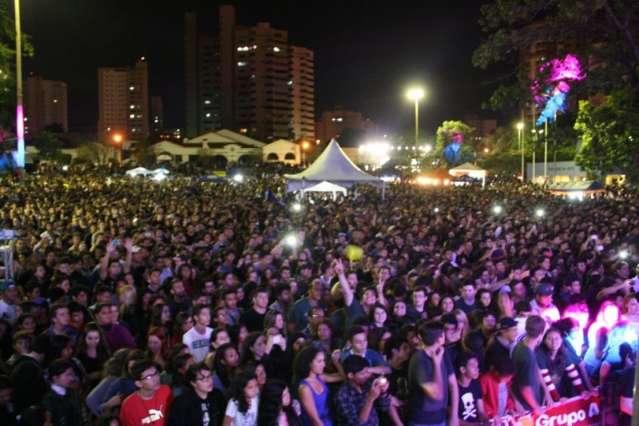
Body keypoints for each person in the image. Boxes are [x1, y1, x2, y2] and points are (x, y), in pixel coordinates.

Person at [407, 321, 459, 426]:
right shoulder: (418, 360)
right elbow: (437, 394)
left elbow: (453, 385)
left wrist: (454, 415)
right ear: (440, 339)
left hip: (441, 417)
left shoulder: (443, 353)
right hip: (422, 421)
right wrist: (436, 364)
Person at [336, 355, 391, 426]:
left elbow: (384, 408)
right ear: (350, 375)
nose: (367, 375)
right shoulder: (342, 395)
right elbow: (357, 423)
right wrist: (370, 399)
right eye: (362, 373)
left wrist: (383, 392)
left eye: (367, 372)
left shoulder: (368, 384)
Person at [295, 346, 343, 426]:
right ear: (309, 363)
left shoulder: (321, 377)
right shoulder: (304, 388)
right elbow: (315, 419)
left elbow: (343, 377)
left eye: (323, 360)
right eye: (319, 361)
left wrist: (335, 362)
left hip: (329, 420)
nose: (324, 365)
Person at [511, 315, 547, 415]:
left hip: (527, 402)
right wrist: (536, 407)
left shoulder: (521, 344)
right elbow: (525, 388)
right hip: (527, 407)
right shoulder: (527, 356)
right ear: (541, 333)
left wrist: (546, 392)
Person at [119, 360, 172, 426]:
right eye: (148, 377)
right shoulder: (128, 405)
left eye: (155, 373)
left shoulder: (166, 391)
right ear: (138, 384)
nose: (155, 379)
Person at [42, 359, 86, 426]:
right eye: (68, 375)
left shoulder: (72, 392)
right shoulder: (49, 400)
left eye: (72, 374)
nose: (72, 378)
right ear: (55, 378)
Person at [455, 352, 485, 425]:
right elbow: (453, 417)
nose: (477, 369)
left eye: (477, 366)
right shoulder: (453, 388)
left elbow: (481, 411)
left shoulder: (476, 384)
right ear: (462, 369)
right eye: (473, 366)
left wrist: (485, 421)